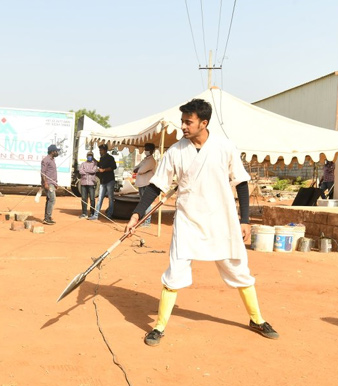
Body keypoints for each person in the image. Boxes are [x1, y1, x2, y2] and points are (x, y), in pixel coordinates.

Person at [125, 98, 279, 347]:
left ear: (204, 123)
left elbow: (241, 182)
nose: (183, 126)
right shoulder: (175, 151)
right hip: (188, 220)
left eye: (188, 122)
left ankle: (257, 319)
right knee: (175, 271)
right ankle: (159, 326)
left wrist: (245, 220)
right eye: (182, 121)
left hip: (222, 219)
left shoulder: (225, 147)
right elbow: (156, 186)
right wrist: (136, 214)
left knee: (238, 269)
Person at [90, 143, 117, 220]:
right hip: (103, 181)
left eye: (101, 150)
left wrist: (104, 170)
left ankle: (109, 214)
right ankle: (96, 215)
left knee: (110, 198)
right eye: (99, 150)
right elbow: (99, 164)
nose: (100, 151)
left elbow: (114, 167)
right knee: (100, 198)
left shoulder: (110, 158)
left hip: (110, 180)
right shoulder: (102, 158)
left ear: (105, 150)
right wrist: (94, 159)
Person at [133, 143, 157, 226]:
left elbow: (140, 170)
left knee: (146, 203)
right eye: (145, 149)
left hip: (146, 184)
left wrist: (138, 170)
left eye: (148, 149)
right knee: (143, 203)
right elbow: (135, 168)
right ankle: (144, 220)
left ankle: (147, 221)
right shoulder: (145, 160)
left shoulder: (151, 161)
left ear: (152, 150)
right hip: (141, 184)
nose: (146, 151)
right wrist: (138, 169)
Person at [41, 144, 60, 225]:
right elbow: (43, 173)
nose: (57, 152)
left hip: (52, 183)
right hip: (48, 183)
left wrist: (55, 183)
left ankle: (47, 217)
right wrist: (45, 183)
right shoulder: (46, 160)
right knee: (52, 199)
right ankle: (47, 218)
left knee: (49, 199)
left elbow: (52, 173)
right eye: (56, 151)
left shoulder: (52, 160)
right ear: (52, 152)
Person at [78, 150, 98, 218]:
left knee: (92, 199)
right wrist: (88, 171)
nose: (89, 157)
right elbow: (80, 171)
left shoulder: (94, 164)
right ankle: (84, 213)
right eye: (88, 155)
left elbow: (94, 170)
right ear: (86, 156)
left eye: (91, 156)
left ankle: (92, 213)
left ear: (92, 157)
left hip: (91, 183)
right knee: (84, 198)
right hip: (83, 183)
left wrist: (85, 171)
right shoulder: (83, 163)